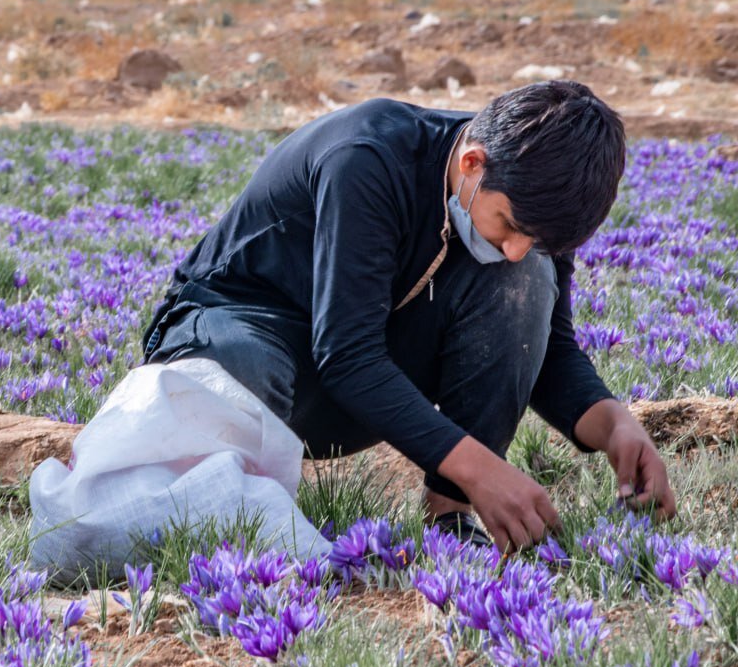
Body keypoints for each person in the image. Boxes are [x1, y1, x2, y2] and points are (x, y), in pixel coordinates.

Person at [142, 82, 676, 550]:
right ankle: (216, 519)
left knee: (525, 282)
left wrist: (616, 425)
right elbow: (347, 356)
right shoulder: (368, 157)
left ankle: (450, 514)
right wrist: (480, 467)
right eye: (510, 225)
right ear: (472, 164)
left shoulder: (537, 206)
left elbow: (550, 352)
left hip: (354, 388)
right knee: (245, 363)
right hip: (239, 340)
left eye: (537, 241)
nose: (516, 248)